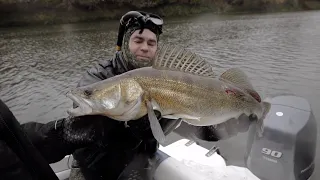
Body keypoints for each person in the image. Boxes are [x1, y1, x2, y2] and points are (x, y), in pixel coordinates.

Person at [0, 10, 258, 180]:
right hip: (95, 173)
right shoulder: (99, 78)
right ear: (125, 43)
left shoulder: (169, 79)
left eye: (151, 43)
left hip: (141, 167)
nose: (144, 47)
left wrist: (224, 127)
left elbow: (191, 124)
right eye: (138, 40)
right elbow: (82, 127)